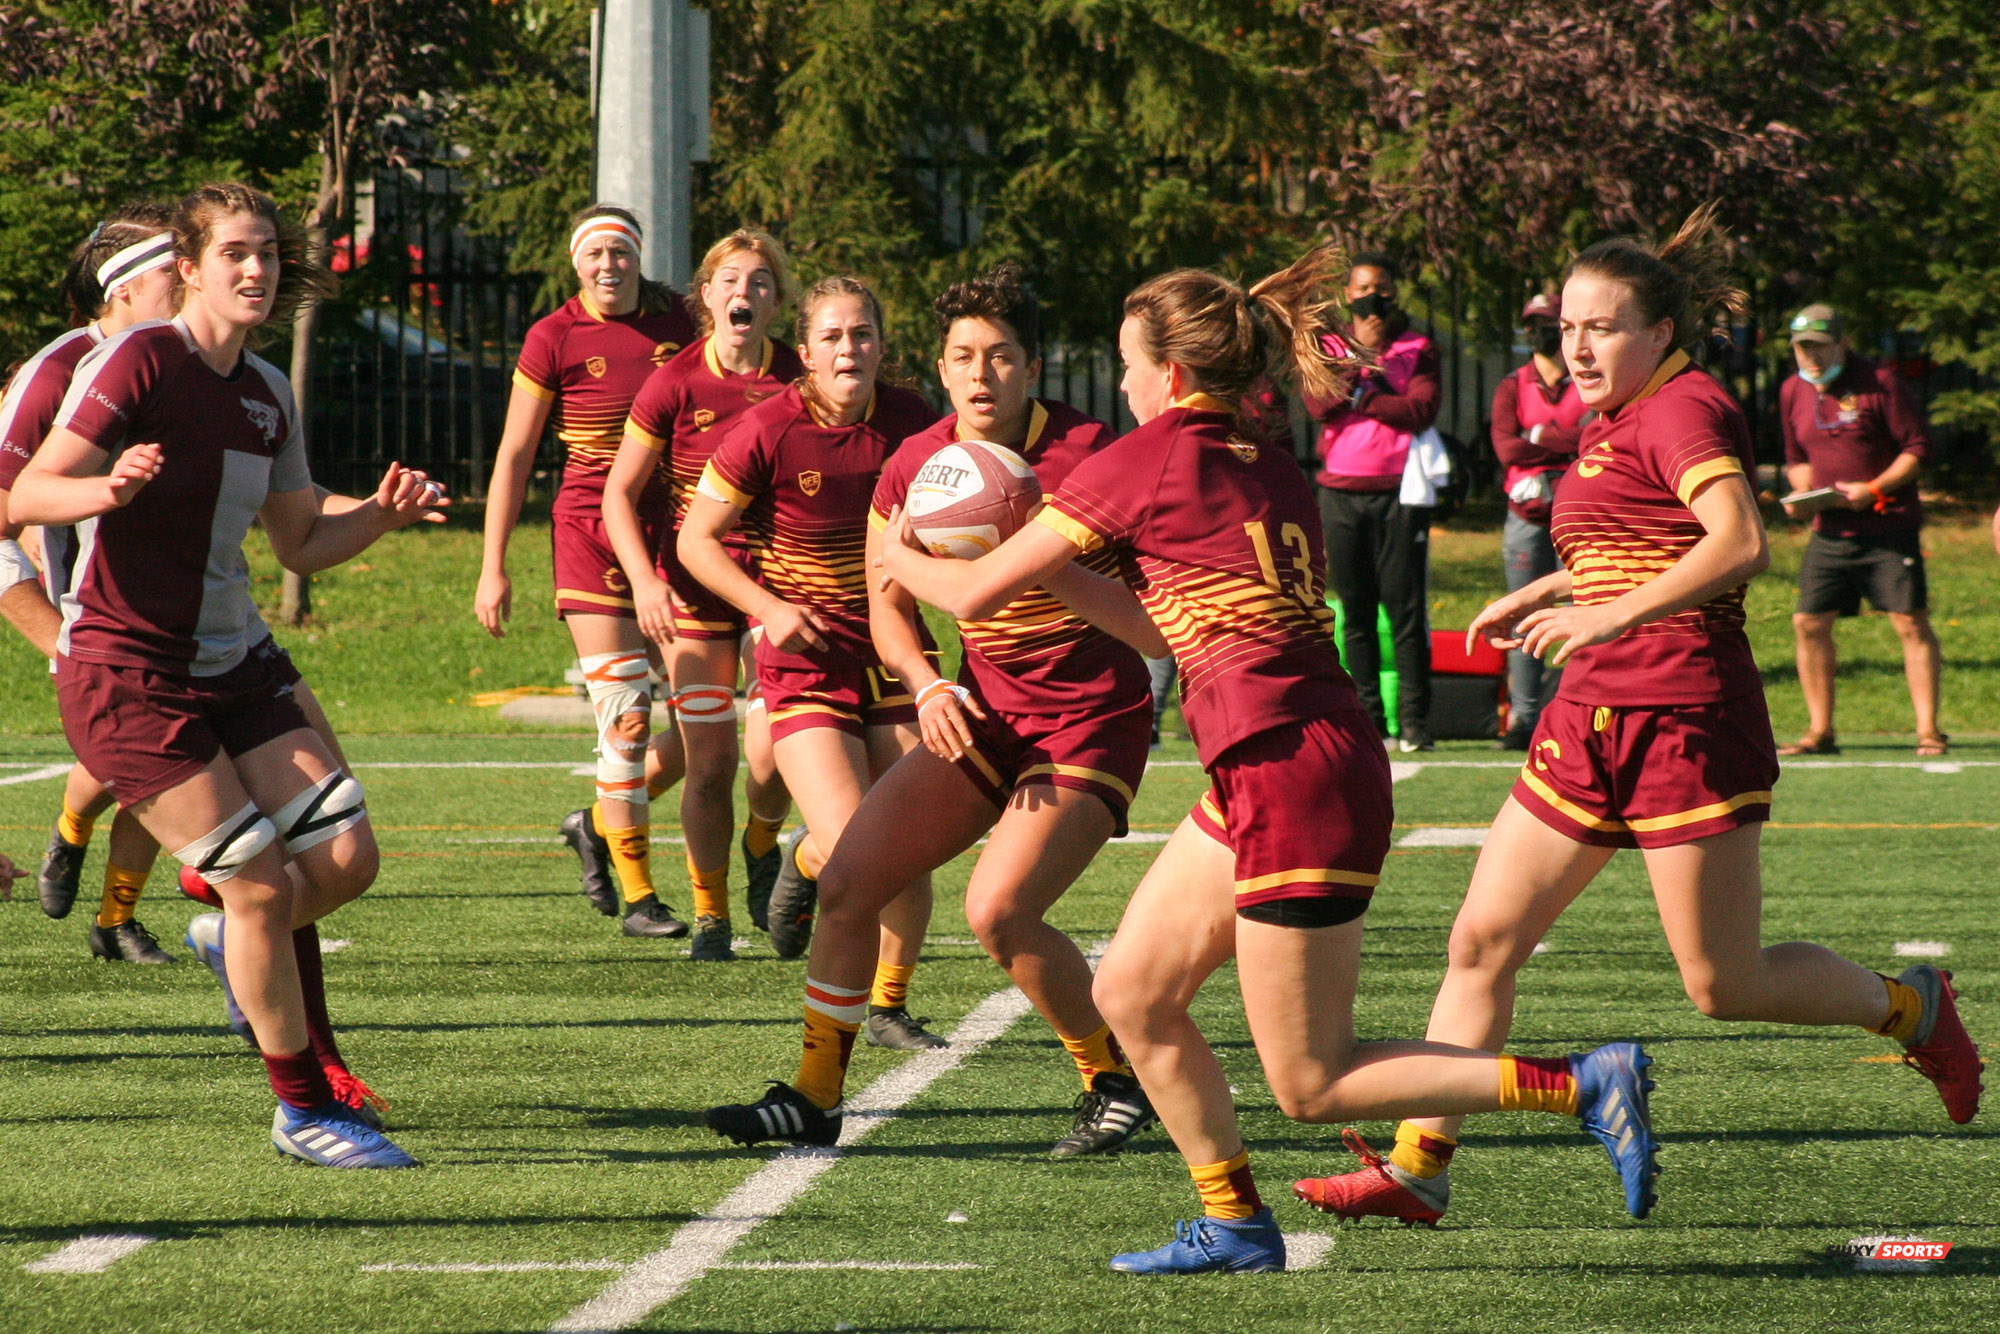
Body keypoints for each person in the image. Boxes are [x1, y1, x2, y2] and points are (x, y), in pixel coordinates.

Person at [869, 245, 1661, 1275]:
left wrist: (894, 551)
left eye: (1123, 363)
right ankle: (1235, 1222)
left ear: (1170, 373)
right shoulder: (1259, 460)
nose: (1116, 384)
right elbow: (1156, 632)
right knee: (1136, 995)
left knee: (1311, 1080)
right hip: (1275, 759)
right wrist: (1040, 553)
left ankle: (1577, 1082)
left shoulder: (1143, 454)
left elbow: (970, 600)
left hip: (1289, 767)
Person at [1294, 208, 1983, 1231]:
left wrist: (1603, 610)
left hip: (1681, 720)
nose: (1575, 346)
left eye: (1601, 327)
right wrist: (1546, 593)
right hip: (1588, 715)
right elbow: (1645, 538)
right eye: (1567, 326)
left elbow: (1736, 540)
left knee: (1723, 980)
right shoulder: (1611, 417)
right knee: (1480, 938)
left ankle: (1913, 1005)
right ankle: (1417, 1163)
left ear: (1659, 332)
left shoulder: (1681, 410)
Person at [10, 180, 448, 1166]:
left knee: (346, 859)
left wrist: (379, 512)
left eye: (269, 254)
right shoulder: (139, 358)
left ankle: (232, 945)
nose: (258, 270)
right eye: (237, 253)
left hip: (232, 660)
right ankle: (301, 1109)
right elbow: (27, 488)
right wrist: (103, 486)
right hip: (127, 669)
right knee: (255, 884)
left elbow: (297, 541)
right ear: (190, 264)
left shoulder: (266, 393)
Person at [702, 264, 1163, 1156]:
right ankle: (814, 1096)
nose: (981, 375)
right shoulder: (916, 460)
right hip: (984, 711)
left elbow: (1152, 608)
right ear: (943, 370)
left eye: (1000, 357)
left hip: (1089, 719)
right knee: (845, 885)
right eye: (963, 358)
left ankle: (1111, 1077)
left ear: (1032, 367)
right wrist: (926, 682)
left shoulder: (1097, 453)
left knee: (1000, 912)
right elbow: (888, 601)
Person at [677, 275, 943, 1037]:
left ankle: (889, 1004)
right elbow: (695, 541)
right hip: (805, 661)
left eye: (861, 334)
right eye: (831, 336)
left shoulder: (915, 424)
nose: (848, 348)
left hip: (895, 650)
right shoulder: (766, 430)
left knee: (912, 838)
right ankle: (805, 861)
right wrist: (767, 610)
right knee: (860, 842)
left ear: (883, 347)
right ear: (805, 352)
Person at [475, 204, 696, 936]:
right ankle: (640, 898)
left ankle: (597, 822)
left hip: (675, 533)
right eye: (595, 254)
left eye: (620, 252)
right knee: (627, 713)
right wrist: (493, 566)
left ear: (638, 257)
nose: (609, 265)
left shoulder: (681, 323)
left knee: (706, 724)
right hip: (590, 530)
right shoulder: (554, 336)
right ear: (577, 264)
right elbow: (513, 454)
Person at [605, 228, 802, 960]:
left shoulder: (797, 376)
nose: (742, 294)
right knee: (710, 762)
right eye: (729, 281)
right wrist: (645, 580)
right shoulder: (674, 382)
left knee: (776, 753)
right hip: (694, 590)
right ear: (706, 296)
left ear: (776, 301)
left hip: (777, 585)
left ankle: (761, 841)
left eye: (757, 282)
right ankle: (712, 914)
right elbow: (619, 495)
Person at [2, 206, 181, 961]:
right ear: (122, 288)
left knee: (171, 758)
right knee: (140, 764)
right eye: (179, 269)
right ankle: (81, 844)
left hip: (184, 602)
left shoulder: (189, 361)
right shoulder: (57, 371)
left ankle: (115, 919)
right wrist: (53, 631)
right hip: (91, 614)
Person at [1777, 303, 1943, 757]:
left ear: (1842, 344)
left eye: (1819, 347)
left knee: (1910, 621)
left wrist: (1874, 488)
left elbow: (1918, 448)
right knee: (1808, 623)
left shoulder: (1881, 383)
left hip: (1888, 527)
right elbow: (1795, 457)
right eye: (1802, 348)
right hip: (1828, 529)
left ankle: (1928, 730)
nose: (1810, 357)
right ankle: (1819, 731)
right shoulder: (1793, 389)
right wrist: (1801, 491)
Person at [1309, 252, 1441, 751]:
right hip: (1340, 494)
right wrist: (1355, 356)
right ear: (1348, 294)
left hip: (1400, 495)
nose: (1373, 298)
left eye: (1382, 289)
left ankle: (1414, 724)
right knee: (1356, 612)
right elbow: (1319, 404)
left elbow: (1421, 410)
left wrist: (1364, 401)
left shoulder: (1418, 344)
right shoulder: (1329, 345)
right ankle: (1367, 717)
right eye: (1363, 288)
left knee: (1404, 611)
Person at [1489, 291, 1588, 750]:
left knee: (1583, 611)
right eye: (1531, 324)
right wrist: (1561, 444)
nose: (1538, 332)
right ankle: (1524, 717)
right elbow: (1506, 448)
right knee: (1523, 613)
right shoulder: (1513, 385)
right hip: (1525, 514)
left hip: (1578, 512)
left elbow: (1594, 437)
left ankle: (1577, 710)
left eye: (1546, 323)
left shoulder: (1586, 380)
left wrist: (1537, 437)